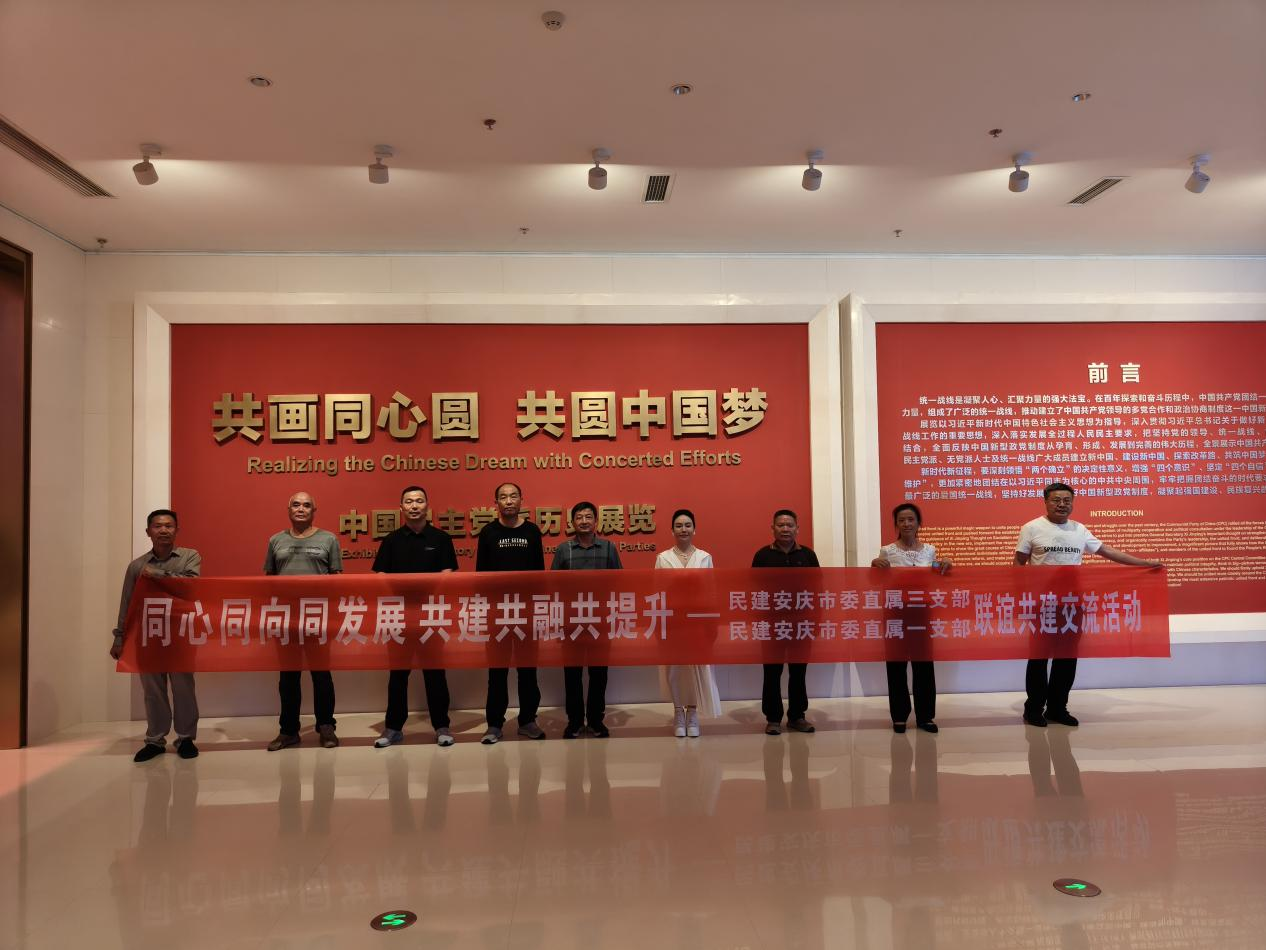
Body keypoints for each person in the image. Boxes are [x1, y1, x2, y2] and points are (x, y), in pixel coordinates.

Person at [1015, 482, 1163, 727]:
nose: (1062, 505)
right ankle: (1033, 710)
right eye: (1056, 500)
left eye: (1067, 500)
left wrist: (1144, 563)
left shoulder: (1079, 529)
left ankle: (1057, 708)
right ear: (1046, 502)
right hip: (1042, 605)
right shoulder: (1031, 528)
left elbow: (1107, 551)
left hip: (1072, 604)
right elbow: (1019, 563)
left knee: (1067, 658)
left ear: (1072, 503)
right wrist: (1022, 597)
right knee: (1039, 658)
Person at [110, 509, 202, 762]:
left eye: (169, 526)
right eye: (158, 526)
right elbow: (127, 602)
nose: (163, 530)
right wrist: (119, 637)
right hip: (148, 635)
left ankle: (185, 738)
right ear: (148, 531)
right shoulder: (137, 566)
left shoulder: (190, 556)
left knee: (183, 688)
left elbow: (191, 586)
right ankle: (155, 740)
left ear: (177, 530)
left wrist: (158, 575)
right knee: (153, 690)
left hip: (181, 634)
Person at [372, 486, 459, 748]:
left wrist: (426, 597)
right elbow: (380, 576)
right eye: (409, 501)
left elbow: (448, 574)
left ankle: (442, 726)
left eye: (419, 501)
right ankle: (393, 727)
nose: (414, 505)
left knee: (435, 673)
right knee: (398, 675)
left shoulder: (441, 538)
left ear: (427, 506)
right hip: (399, 615)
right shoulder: (391, 540)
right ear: (401, 508)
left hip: (432, 616)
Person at [263, 491, 342, 750]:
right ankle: (288, 731)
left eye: (306, 505)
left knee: (322, 676)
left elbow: (337, 580)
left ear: (313, 511)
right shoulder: (276, 540)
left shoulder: (329, 539)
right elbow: (269, 581)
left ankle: (326, 726)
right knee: (288, 678)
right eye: (296, 504)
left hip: (318, 618)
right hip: (286, 619)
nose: (301, 509)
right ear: (288, 510)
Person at [871, 502, 951, 734]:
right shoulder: (887, 550)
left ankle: (925, 716)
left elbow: (934, 575)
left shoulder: (930, 550)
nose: (906, 524)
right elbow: (877, 581)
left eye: (911, 519)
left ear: (918, 523)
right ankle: (899, 716)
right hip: (895, 613)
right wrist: (874, 566)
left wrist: (945, 564)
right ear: (896, 524)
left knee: (923, 665)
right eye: (901, 520)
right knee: (896, 665)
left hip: (922, 613)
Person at [477, 481, 546, 744]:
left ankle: (527, 720)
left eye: (513, 496)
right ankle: (494, 724)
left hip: (527, 613)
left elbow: (539, 575)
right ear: (495, 502)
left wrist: (539, 610)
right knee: (497, 672)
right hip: (497, 614)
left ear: (521, 500)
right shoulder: (488, 533)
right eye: (503, 497)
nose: (508, 501)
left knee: (528, 670)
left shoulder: (532, 531)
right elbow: (481, 576)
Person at [551, 500, 623, 739]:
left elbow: (619, 583)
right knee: (572, 674)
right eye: (579, 517)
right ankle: (574, 722)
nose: (584, 521)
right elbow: (553, 586)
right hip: (571, 622)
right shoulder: (563, 550)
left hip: (600, 622)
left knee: (599, 674)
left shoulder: (609, 547)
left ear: (596, 521)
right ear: (572, 522)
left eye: (588, 517)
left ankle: (595, 721)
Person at [653, 509, 722, 737]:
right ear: (672, 530)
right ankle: (678, 712)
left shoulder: (704, 557)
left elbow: (712, 591)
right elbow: (657, 592)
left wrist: (712, 622)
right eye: (679, 525)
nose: (683, 529)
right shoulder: (663, 558)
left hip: (698, 622)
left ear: (694, 529)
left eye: (687, 525)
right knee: (675, 668)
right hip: (672, 621)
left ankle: (692, 712)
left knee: (696, 668)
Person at [751, 508, 820, 735]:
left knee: (798, 672)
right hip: (772, 625)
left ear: (797, 528)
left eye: (789, 525)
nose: (785, 529)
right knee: (772, 672)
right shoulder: (762, 556)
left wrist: (816, 621)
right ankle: (773, 718)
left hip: (801, 624)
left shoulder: (808, 556)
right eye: (780, 525)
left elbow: (818, 590)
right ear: (773, 528)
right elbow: (753, 590)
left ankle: (797, 716)